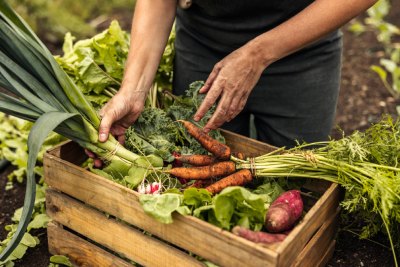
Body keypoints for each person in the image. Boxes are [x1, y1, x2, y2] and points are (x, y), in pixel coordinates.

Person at [97, 0, 377, 148]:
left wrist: (257, 54)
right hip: (204, 47)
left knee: (297, 186)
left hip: (302, 50)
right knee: (202, 169)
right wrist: (133, 90)